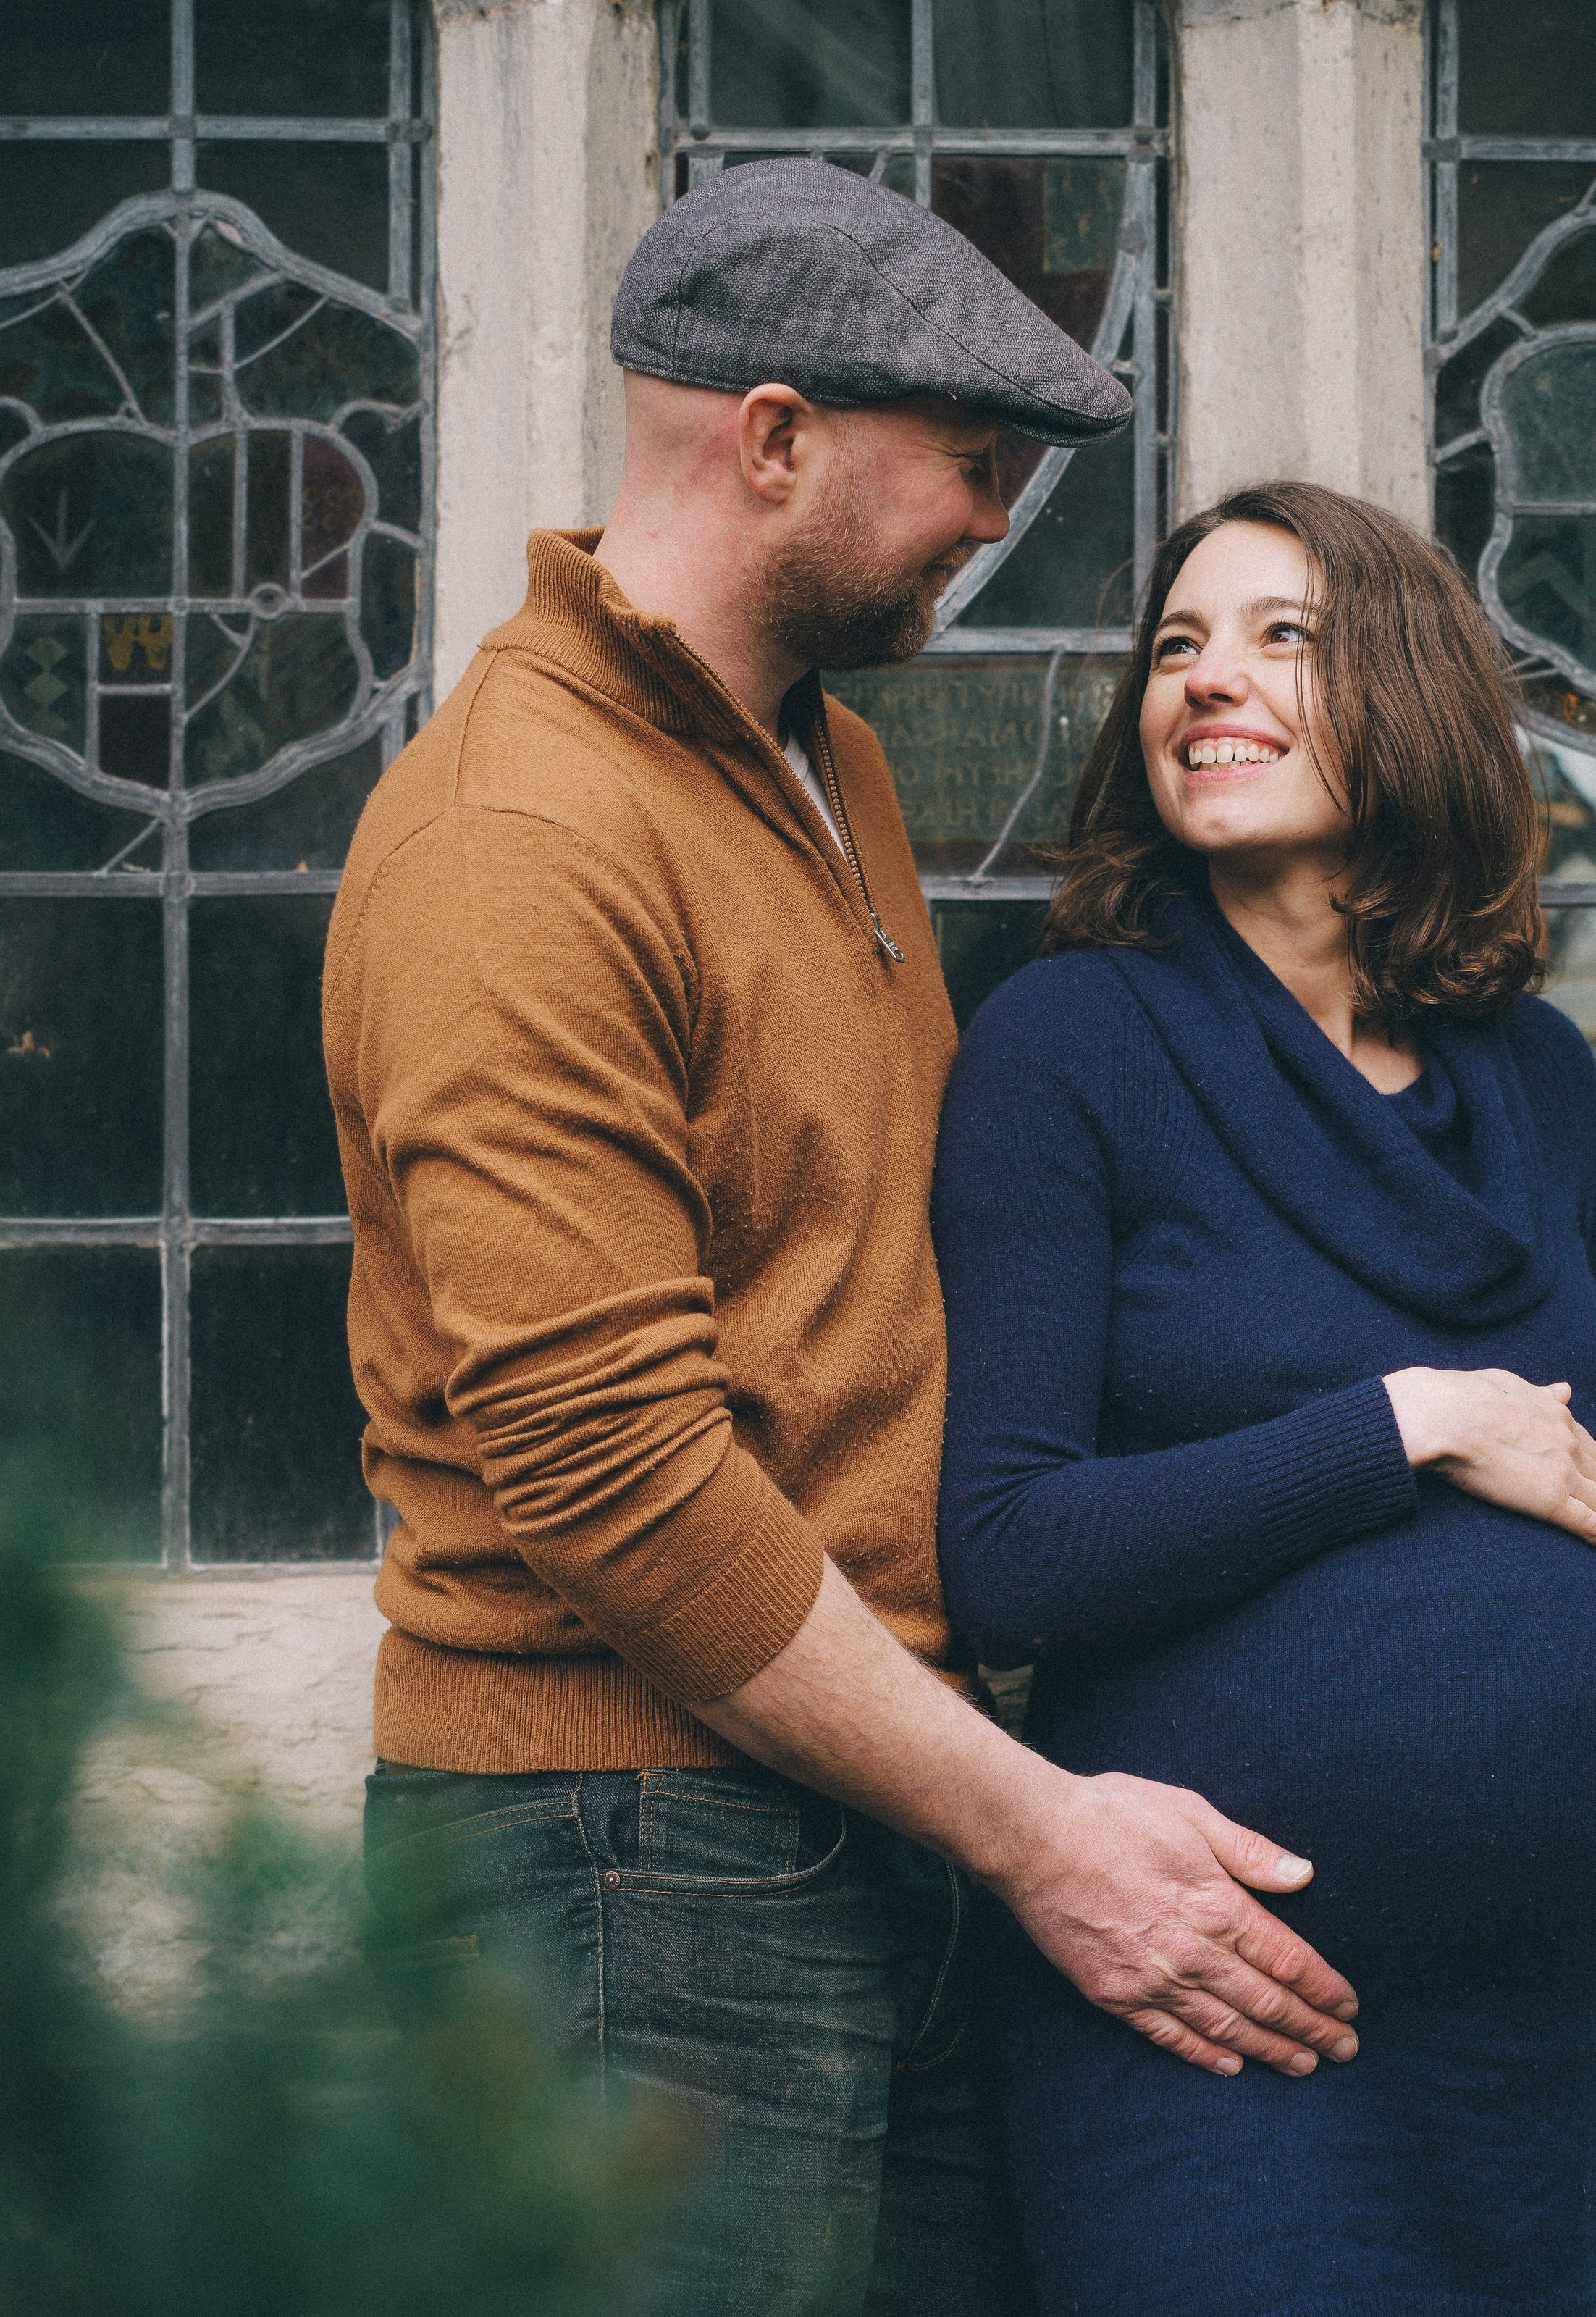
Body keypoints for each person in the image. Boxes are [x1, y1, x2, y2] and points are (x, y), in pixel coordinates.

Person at [324, 169, 1364, 2317]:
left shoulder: (835, 769)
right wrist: (1041, 1831)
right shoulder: (518, 839)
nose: (999, 522)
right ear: (772, 439)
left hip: (860, 1808)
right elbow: (615, 1481)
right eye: (972, 468)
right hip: (619, 1867)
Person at [932, 481, 1596, 2317]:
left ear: (1417, 689)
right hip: (1217, 2011)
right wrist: (1405, 1417)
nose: (1207, 680)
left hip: (1513, 2051)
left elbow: (1585, 1531)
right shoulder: (1068, 1045)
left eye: (1281, 634)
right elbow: (1006, 1553)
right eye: (1177, 648)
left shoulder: (1523, 1077)